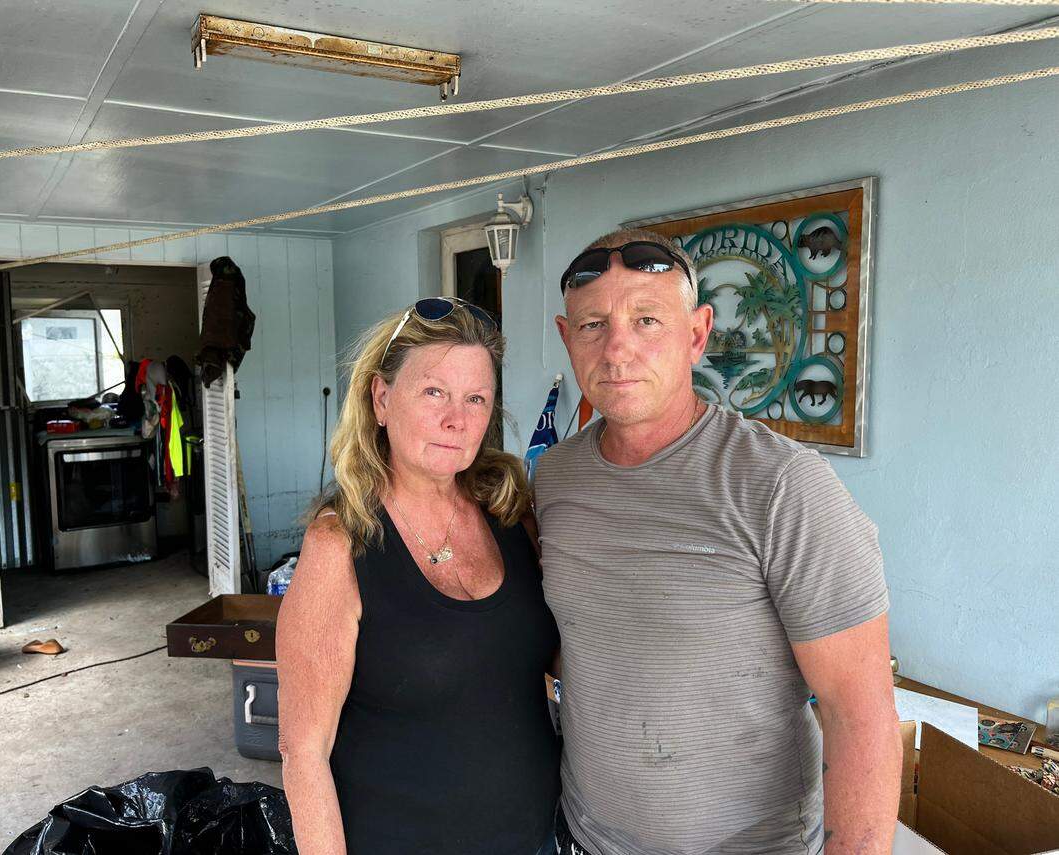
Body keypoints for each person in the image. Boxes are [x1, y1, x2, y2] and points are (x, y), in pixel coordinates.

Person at [534, 228, 901, 854]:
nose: (618, 350)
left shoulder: (781, 484)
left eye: (647, 320)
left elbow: (859, 715)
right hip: (587, 839)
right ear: (568, 339)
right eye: (593, 325)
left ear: (698, 334)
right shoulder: (555, 477)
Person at [276, 297, 561, 855]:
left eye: (476, 398)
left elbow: (558, 660)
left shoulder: (510, 513)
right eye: (434, 392)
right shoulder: (340, 545)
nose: (457, 418)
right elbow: (303, 753)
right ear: (382, 399)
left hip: (536, 838)